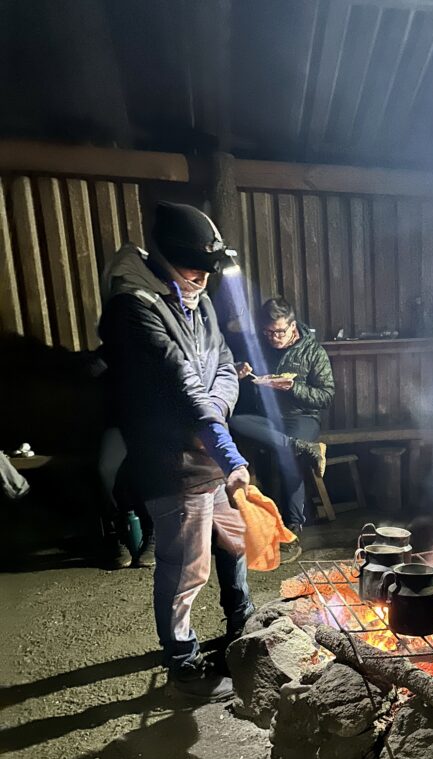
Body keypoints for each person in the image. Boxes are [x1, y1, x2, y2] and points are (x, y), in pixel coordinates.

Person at [99, 202, 254, 703]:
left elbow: (225, 365)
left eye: (209, 268)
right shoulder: (134, 306)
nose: (203, 277)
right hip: (171, 459)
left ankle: (241, 625)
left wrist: (219, 412)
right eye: (195, 266)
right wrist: (232, 458)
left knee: (235, 541)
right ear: (164, 256)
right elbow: (182, 386)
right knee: (187, 565)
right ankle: (182, 658)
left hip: (207, 446)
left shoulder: (198, 298)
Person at [230, 296, 335, 562]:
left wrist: (293, 387)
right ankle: (301, 447)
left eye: (279, 332)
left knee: (290, 458)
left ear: (292, 326)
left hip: (301, 417)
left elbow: (326, 396)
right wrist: (238, 373)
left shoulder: (312, 351)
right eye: (268, 332)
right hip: (267, 418)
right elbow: (238, 382)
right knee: (234, 422)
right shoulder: (259, 347)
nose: (274, 338)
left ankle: (293, 530)